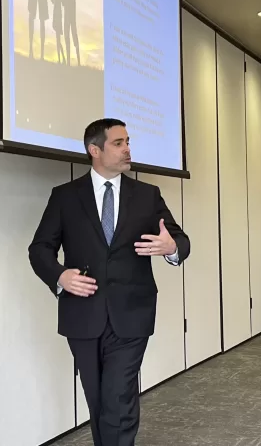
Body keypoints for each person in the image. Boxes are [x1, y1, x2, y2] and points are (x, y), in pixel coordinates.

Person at [28, 118, 190, 446]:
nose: (128, 148)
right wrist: (60, 276)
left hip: (132, 313)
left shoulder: (147, 195)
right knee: (99, 400)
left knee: (119, 399)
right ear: (95, 150)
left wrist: (171, 247)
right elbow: (39, 248)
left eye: (128, 141)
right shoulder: (65, 197)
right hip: (82, 315)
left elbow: (179, 238)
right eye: (119, 143)